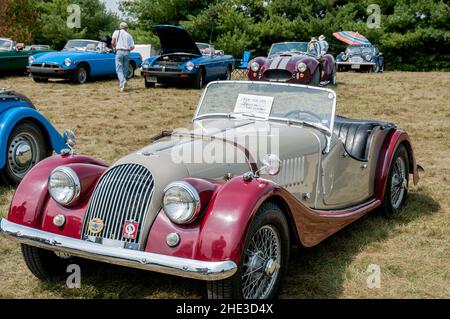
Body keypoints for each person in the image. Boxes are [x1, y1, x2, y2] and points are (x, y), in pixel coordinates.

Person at [112, 22, 135, 92]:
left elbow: (112, 42)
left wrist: (114, 48)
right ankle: (122, 86)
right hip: (127, 52)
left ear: (120, 27)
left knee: (119, 69)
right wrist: (128, 50)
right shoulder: (129, 35)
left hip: (119, 51)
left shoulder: (116, 32)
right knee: (125, 69)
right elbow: (133, 47)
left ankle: (123, 81)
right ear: (126, 28)